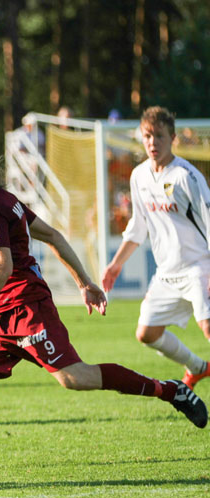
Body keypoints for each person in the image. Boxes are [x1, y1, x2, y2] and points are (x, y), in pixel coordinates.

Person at [0, 136, 207, 472]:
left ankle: (170, 390)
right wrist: (84, 282)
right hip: (0, 317)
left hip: (28, 311)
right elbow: (53, 236)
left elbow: (3, 266)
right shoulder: (2, 200)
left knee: (76, 378)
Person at [102, 106, 210, 390]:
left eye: (159, 136)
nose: (153, 142)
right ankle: (198, 367)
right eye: (148, 136)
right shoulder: (139, 176)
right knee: (147, 333)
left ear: (172, 138)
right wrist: (115, 265)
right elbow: (138, 226)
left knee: (208, 326)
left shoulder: (187, 176)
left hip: (199, 266)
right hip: (167, 272)